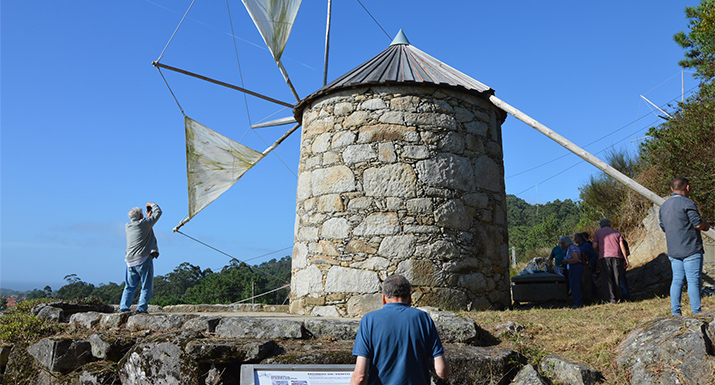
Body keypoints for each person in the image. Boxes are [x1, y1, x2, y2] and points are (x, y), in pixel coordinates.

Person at [350, 275, 449, 385]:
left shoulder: (369, 320)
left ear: (383, 298)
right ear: (410, 298)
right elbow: (442, 371)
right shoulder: (424, 319)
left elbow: (360, 376)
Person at [659, 176, 711, 316]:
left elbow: (663, 227)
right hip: (691, 249)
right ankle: (697, 312)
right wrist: (707, 225)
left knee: (676, 281)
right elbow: (698, 224)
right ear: (687, 188)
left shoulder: (663, 207)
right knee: (693, 282)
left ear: (672, 189)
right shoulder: (688, 203)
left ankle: (675, 312)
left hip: (674, 251)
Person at [119, 202, 162, 313]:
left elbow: (144, 226)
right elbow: (158, 213)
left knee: (129, 286)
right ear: (140, 216)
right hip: (142, 259)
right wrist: (152, 204)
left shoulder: (128, 226)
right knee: (146, 286)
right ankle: (141, 309)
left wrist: (147, 218)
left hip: (129, 261)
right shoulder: (144, 224)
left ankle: (123, 308)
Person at [593, 219, 628, 303]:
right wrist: (626, 258)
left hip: (604, 257)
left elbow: (594, 246)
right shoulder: (616, 232)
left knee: (607, 278)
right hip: (617, 257)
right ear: (610, 224)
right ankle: (618, 296)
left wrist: (600, 250)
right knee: (617, 277)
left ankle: (611, 299)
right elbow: (622, 246)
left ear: (601, 225)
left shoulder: (597, 233)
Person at [560, 236, 584, 308]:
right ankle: (577, 301)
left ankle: (578, 303)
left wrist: (566, 261)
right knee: (573, 285)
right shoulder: (569, 248)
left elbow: (576, 259)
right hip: (572, 268)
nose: (560, 245)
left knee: (575, 285)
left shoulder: (572, 248)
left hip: (575, 267)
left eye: (561, 243)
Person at [575, 233, 597, 304]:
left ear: (580, 238)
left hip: (586, 266)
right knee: (581, 282)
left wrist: (590, 263)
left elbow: (594, 254)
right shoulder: (578, 247)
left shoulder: (586, 245)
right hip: (580, 266)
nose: (575, 239)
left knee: (586, 282)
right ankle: (583, 297)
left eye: (576, 238)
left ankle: (588, 298)